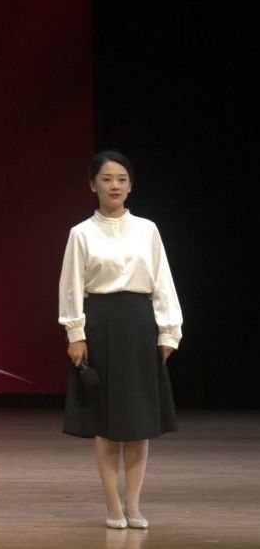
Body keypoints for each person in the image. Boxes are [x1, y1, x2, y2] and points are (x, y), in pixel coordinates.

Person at [59, 150, 180, 530]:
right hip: (101, 324)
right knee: (107, 421)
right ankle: (113, 506)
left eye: (122, 179)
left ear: (130, 186)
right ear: (92, 185)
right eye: (107, 179)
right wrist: (75, 333)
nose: (115, 185)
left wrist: (168, 331)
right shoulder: (81, 233)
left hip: (140, 325)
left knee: (139, 420)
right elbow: (71, 286)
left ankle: (134, 505)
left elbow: (163, 282)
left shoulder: (148, 229)